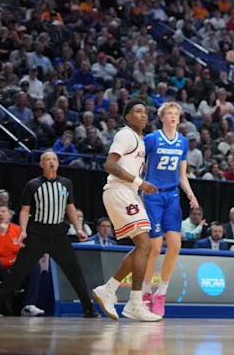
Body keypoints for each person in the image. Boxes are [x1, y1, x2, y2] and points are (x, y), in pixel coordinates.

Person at [0, 151, 98, 318]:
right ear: (41, 164)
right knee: (18, 271)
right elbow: (24, 210)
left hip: (58, 234)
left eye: (54, 159)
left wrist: (78, 228)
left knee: (74, 271)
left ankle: (88, 308)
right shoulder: (33, 184)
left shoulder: (66, 184)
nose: (51, 162)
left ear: (58, 163)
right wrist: (22, 231)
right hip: (37, 234)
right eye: (47, 159)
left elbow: (70, 207)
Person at [91, 100, 161, 322]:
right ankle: (134, 303)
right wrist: (140, 183)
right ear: (128, 117)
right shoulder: (125, 134)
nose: (143, 115)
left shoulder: (139, 140)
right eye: (138, 111)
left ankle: (109, 290)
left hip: (127, 192)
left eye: (145, 112)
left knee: (144, 246)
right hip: (119, 190)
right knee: (145, 245)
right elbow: (109, 166)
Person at [140, 102, 199, 317]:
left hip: (172, 195)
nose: (173, 117)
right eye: (170, 114)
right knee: (154, 248)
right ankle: (145, 291)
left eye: (176, 114)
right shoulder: (152, 139)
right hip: (153, 195)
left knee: (175, 245)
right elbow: (138, 163)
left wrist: (190, 193)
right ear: (162, 118)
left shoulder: (183, 142)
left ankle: (160, 294)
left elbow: (182, 175)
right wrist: (138, 183)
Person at [0, 202, 43, 316]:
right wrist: (1, 234)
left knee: (34, 265)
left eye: (3, 212)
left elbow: (25, 251)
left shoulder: (18, 230)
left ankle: (29, 305)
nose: (1, 215)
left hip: (15, 269)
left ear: (9, 215)